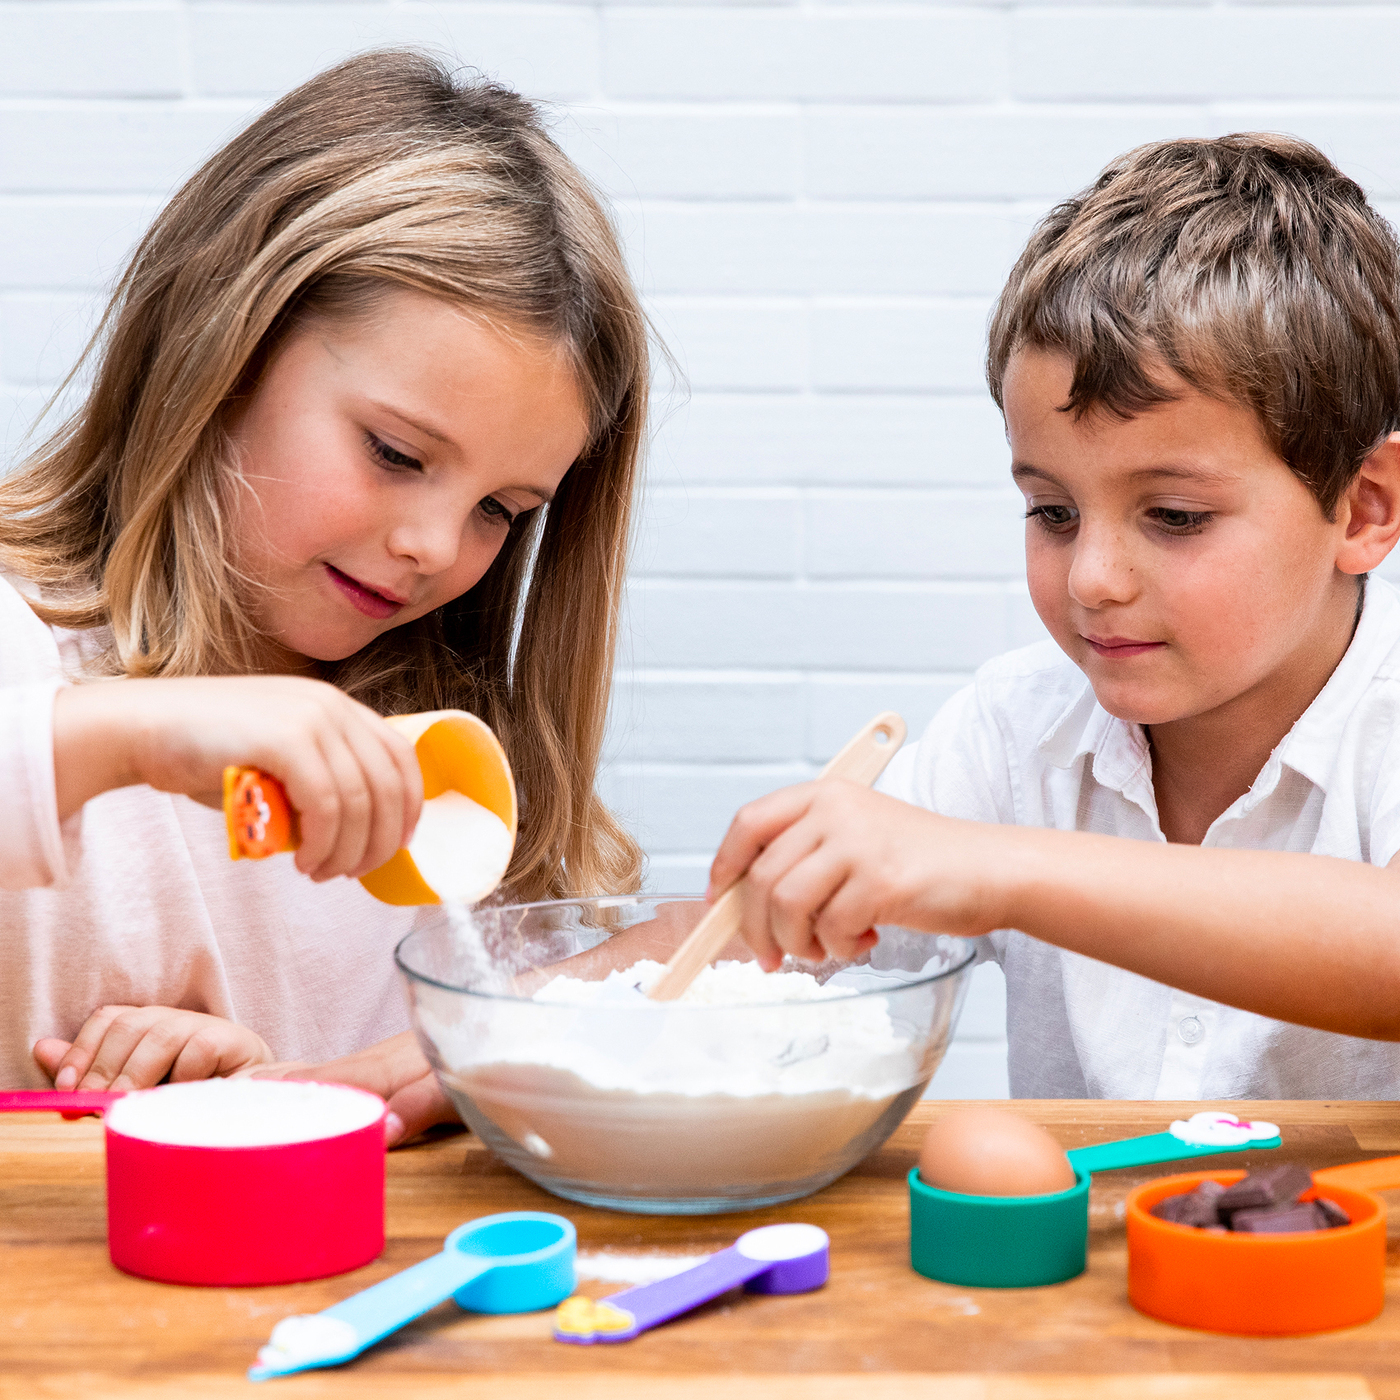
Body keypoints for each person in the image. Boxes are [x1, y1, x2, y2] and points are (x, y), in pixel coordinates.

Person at [4, 48, 648, 1101]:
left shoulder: (440, 777)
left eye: (500, 510)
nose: (437, 548)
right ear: (224, 345)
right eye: (394, 453)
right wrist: (138, 734)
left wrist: (254, 1093)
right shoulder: (24, 648)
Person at [706, 134, 1400, 1099]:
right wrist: (491, 1030)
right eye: (1052, 513)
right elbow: (749, 947)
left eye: (1175, 516)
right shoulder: (1016, 724)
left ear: (1363, 508)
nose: (1093, 580)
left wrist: (1001, 870)